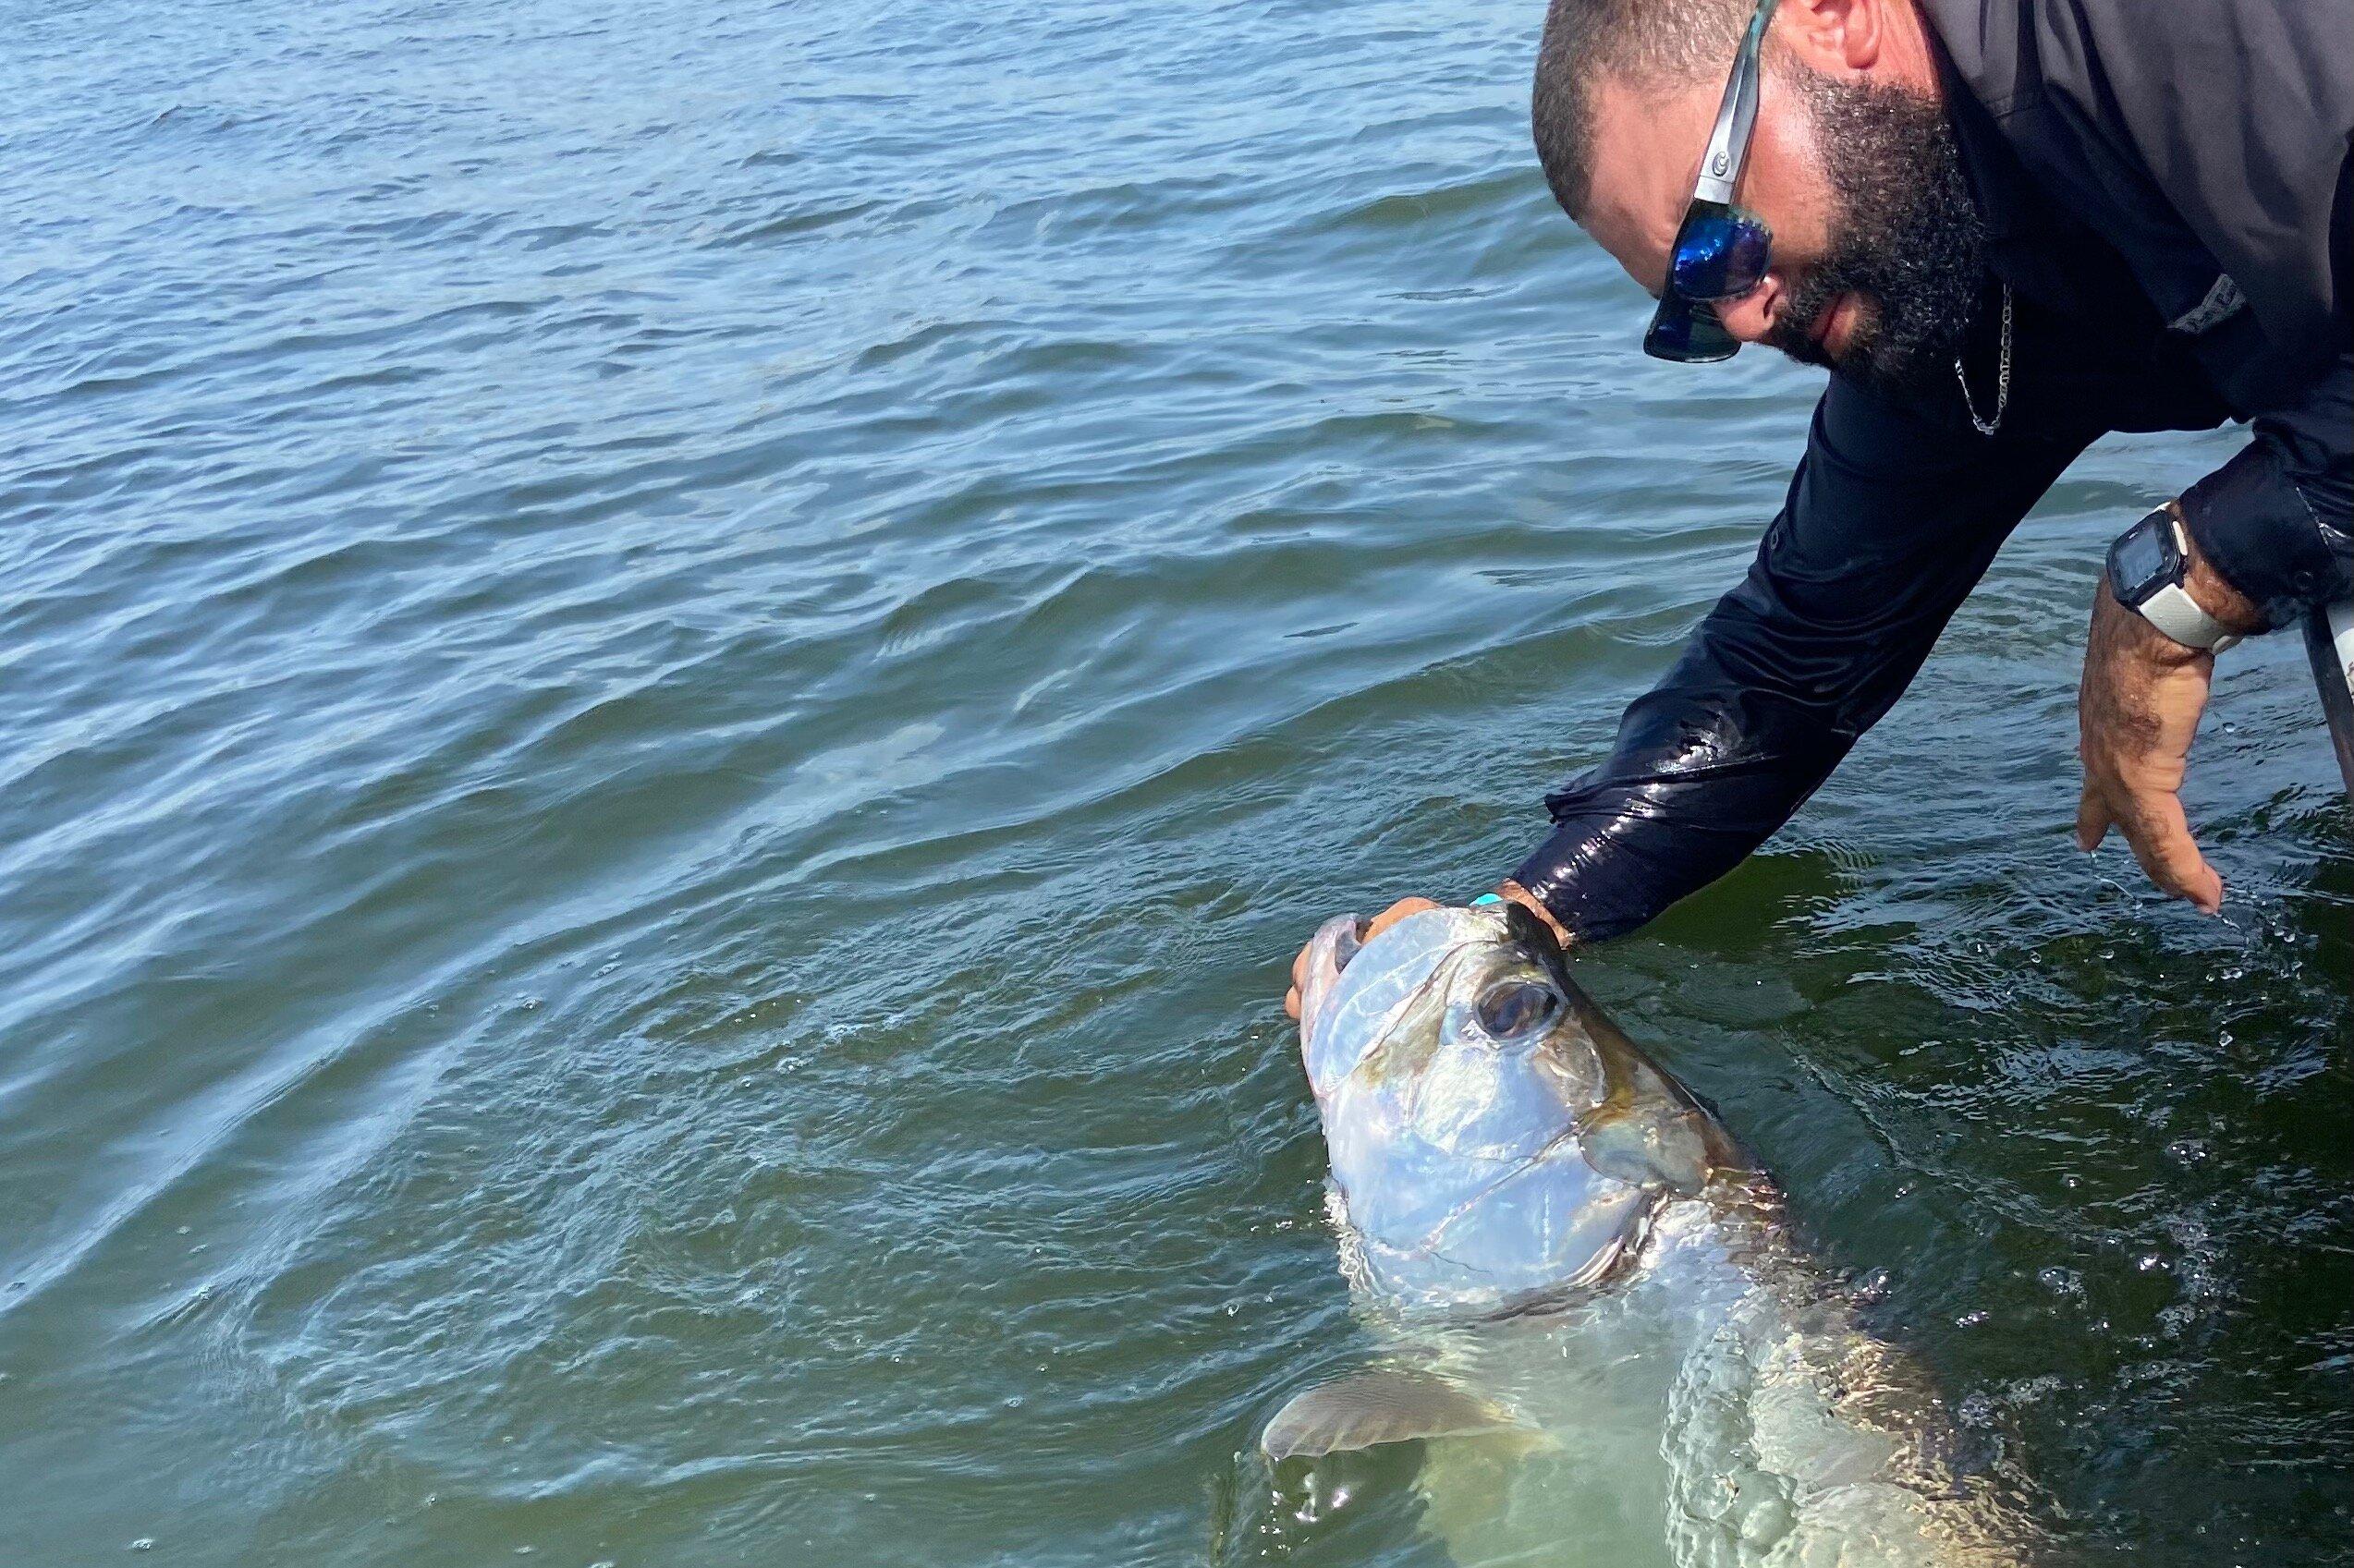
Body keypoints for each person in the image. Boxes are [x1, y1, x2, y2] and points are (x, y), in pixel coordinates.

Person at [1289, 0, 2350, 1011]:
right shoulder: (1932, 275)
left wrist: (2180, 582)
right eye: (1689, 309)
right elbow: (1794, 656)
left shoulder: (2163, 34)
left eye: (1715, 239)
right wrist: (1506, 930)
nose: (1742, 314)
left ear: (1833, 20)